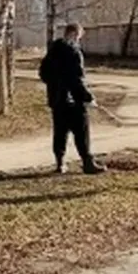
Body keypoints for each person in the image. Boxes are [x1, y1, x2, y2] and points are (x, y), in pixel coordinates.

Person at [38, 23, 105, 174]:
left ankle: (60, 163)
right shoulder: (74, 52)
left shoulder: (52, 51)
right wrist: (87, 97)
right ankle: (87, 162)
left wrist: (55, 85)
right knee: (82, 132)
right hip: (74, 101)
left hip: (56, 99)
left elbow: (43, 74)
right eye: (79, 37)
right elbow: (77, 79)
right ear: (74, 34)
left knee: (60, 132)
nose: (79, 40)